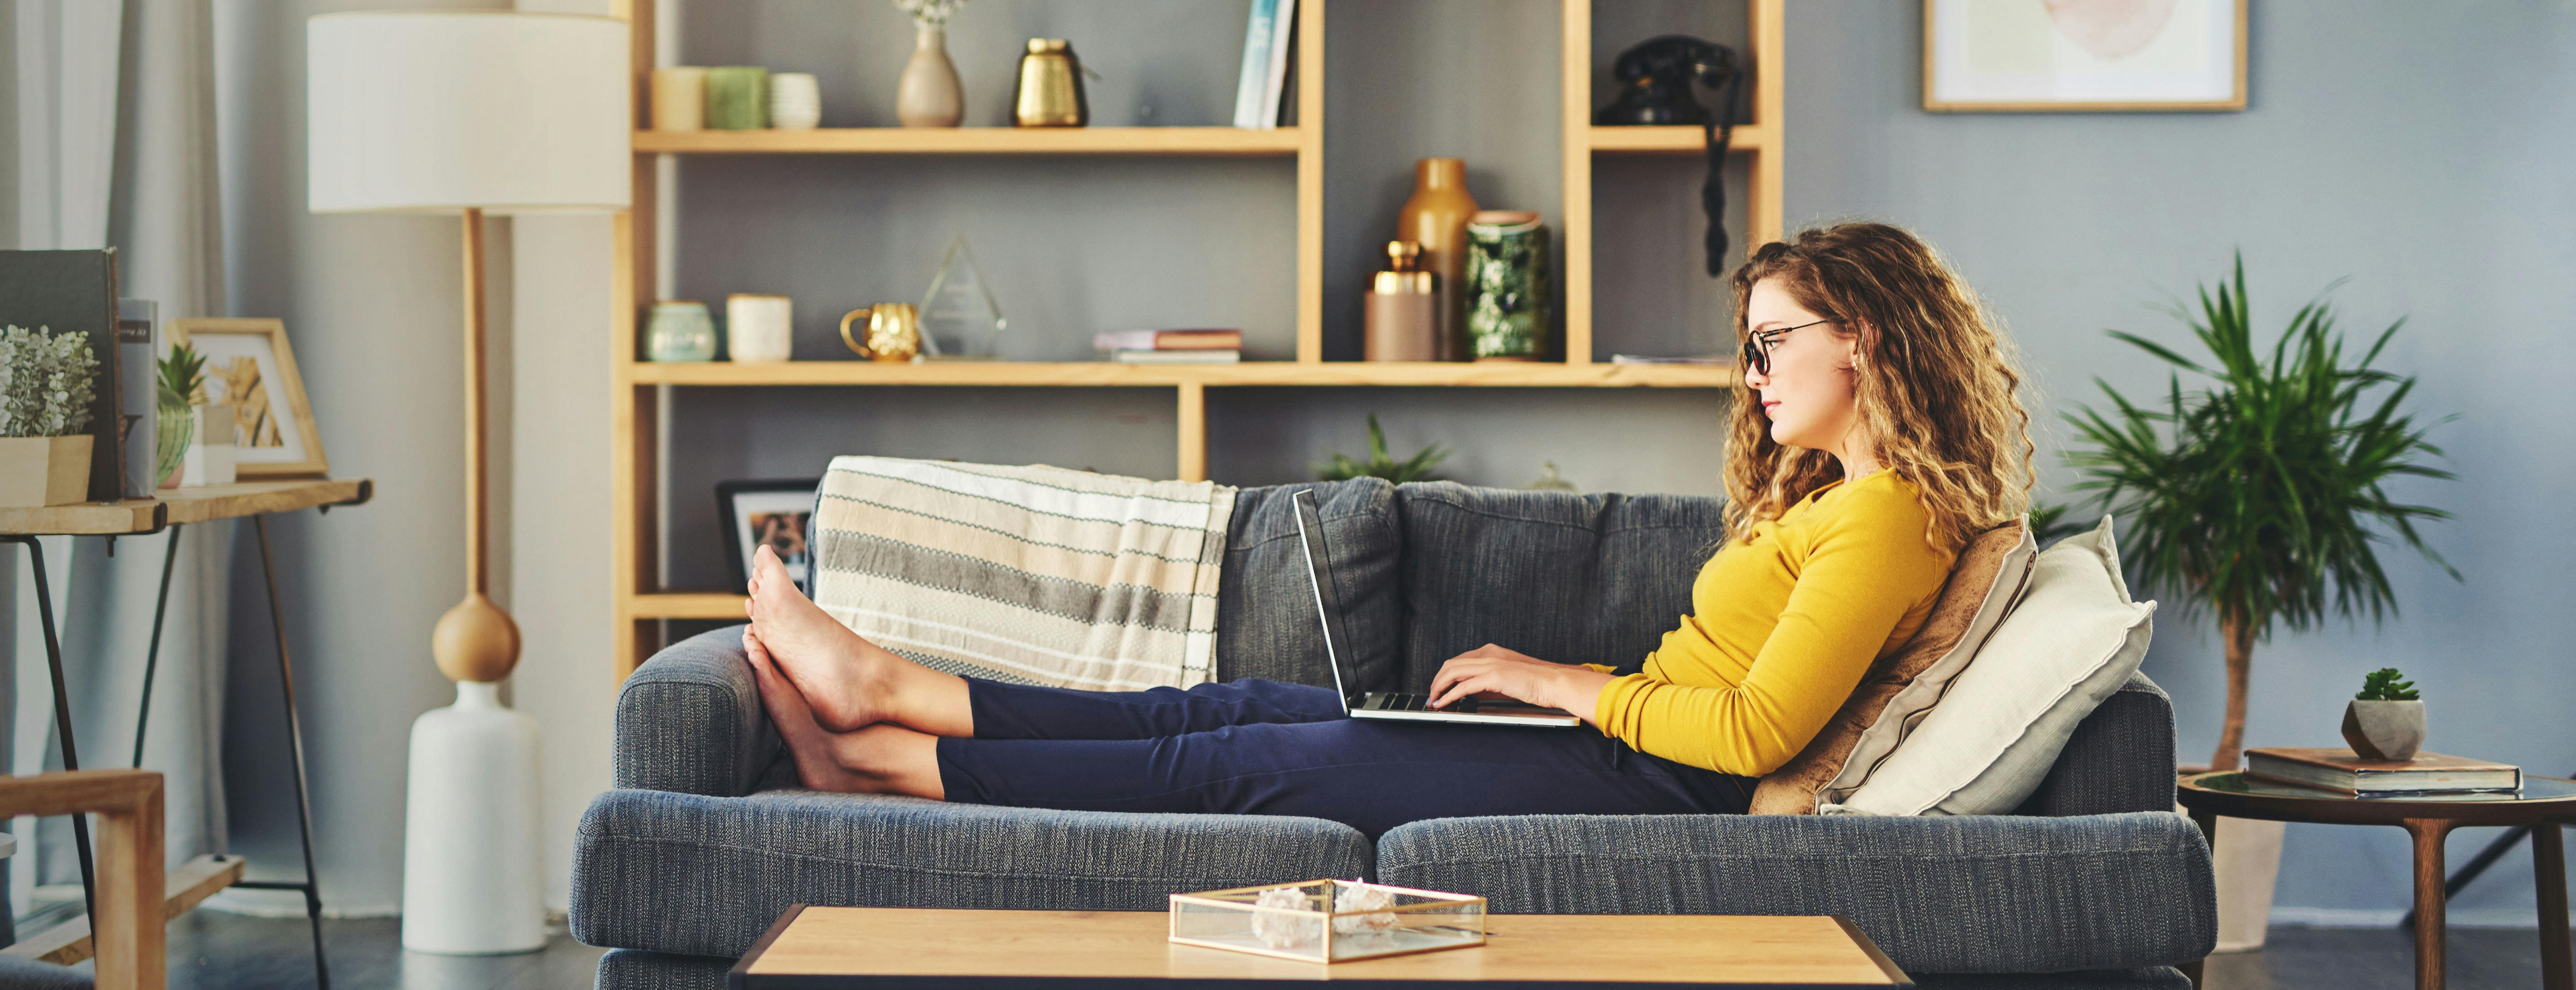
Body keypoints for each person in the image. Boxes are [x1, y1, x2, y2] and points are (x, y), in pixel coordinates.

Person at [736, 222, 2035, 836]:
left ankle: (883, 769)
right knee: (1231, 707)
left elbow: (1754, 736)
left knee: (1244, 770)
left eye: (1772, 344)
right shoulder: (1831, 500)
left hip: (1641, 783)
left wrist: (1552, 682)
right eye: (1747, 349)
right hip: (1609, 751)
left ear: (1862, 336)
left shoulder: (1888, 522)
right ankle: (897, 691)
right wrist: (1561, 698)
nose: (1751, 375)